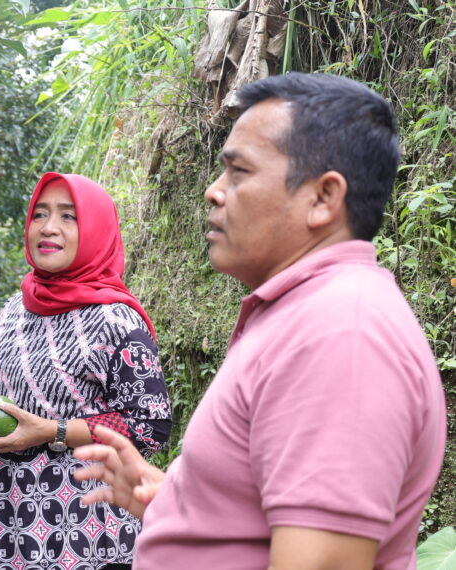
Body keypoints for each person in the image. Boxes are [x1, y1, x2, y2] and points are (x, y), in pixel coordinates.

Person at [72, 72, 446, 569]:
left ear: (323, 198)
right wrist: (178, 505)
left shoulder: (341, 334)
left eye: (238, 171)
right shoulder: (306, 314)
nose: (213, 191)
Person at [0, 172, 172, 569]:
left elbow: (148, 426)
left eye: (69, 217)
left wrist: (54, 431)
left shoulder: (116, 320)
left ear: (95, 229)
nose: (49, 227)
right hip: (4, 519)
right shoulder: (14, 309)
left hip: (82, 528)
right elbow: (11, 405)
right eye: (40, 214)